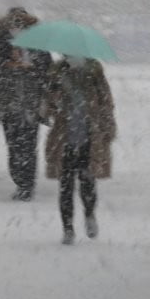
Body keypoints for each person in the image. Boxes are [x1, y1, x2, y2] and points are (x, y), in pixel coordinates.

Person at [42, 58, 117, 244]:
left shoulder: (95, 73)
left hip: (88, 138)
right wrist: (54, 99)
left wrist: (108, 128)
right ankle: (68, 228)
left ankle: (89, 214)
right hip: (64, 139)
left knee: (87, 182)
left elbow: (106, 103)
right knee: (65, 186)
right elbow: (45, 108)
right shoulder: (56, 74)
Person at [0, 7, 52, 201]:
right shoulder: (1, 42)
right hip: (8, 101)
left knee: (28, 145)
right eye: (14, 23)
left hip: (31, 102)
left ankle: (26, 184)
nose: (17, 27)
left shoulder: (37, 43)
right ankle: (20, 179)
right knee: (14, 144)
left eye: (21, 23)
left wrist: (31, 66)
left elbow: (47, 67)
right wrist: (6, 62)